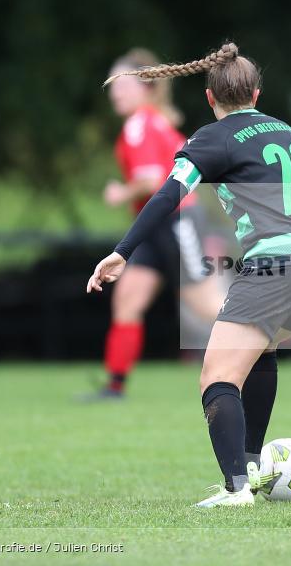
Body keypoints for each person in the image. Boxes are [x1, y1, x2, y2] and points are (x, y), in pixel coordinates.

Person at [86, 43, 291, 507]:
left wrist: (121, 252)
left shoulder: (211, 138)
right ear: (256, 93)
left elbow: (167, 197)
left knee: (216, 376)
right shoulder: (289, 132)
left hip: (277, 266)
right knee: (261, 348)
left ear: (210, 99)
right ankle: (250, 469)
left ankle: (236, 489)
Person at [88, 48, 226, 400]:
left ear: (146, 87)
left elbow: (152, 181)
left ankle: (279, 338)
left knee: (207, 306)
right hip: (154, 226)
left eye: (123, 83)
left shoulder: (141, 124)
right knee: (127, 301)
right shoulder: (153, 122)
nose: (115, 92)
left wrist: (121, 193)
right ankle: (114, 387)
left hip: (176, 221)